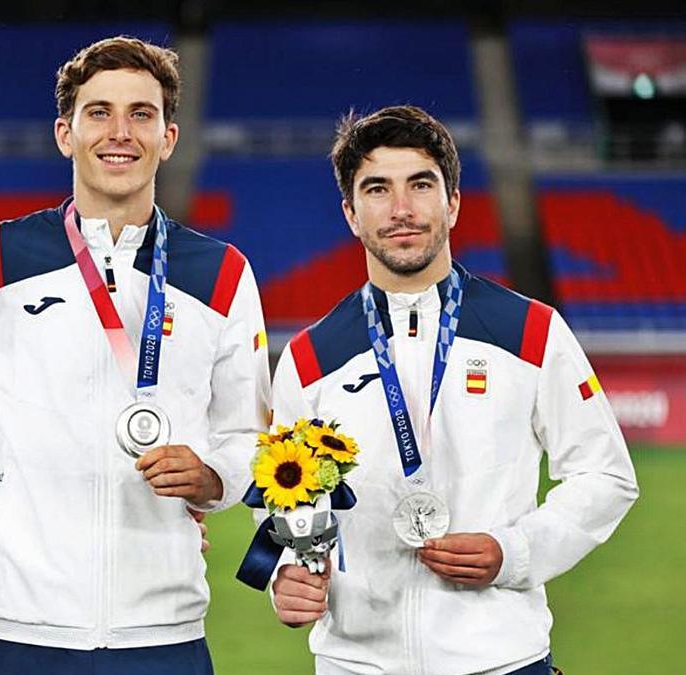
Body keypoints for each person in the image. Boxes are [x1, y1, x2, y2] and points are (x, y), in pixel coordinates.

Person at [0, 37, 270, 673]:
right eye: (98, 112)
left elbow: (250, 431)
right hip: (17, 628)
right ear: (65, 132)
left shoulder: (221, 272)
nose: (120, 133)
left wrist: (215, 478)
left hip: (163, 630)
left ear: (168, 137)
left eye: (141, 114)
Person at [267, 105, 639, 674]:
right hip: (356, 663)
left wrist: (514, 553)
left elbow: (606, 475)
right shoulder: (310, 356)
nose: (401, 210)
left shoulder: (531, 330)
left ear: (454, 202)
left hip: (502, 659)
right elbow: (282, 498)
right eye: (377, 190)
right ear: (350, 213)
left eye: (421, 184)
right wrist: (281, 575)